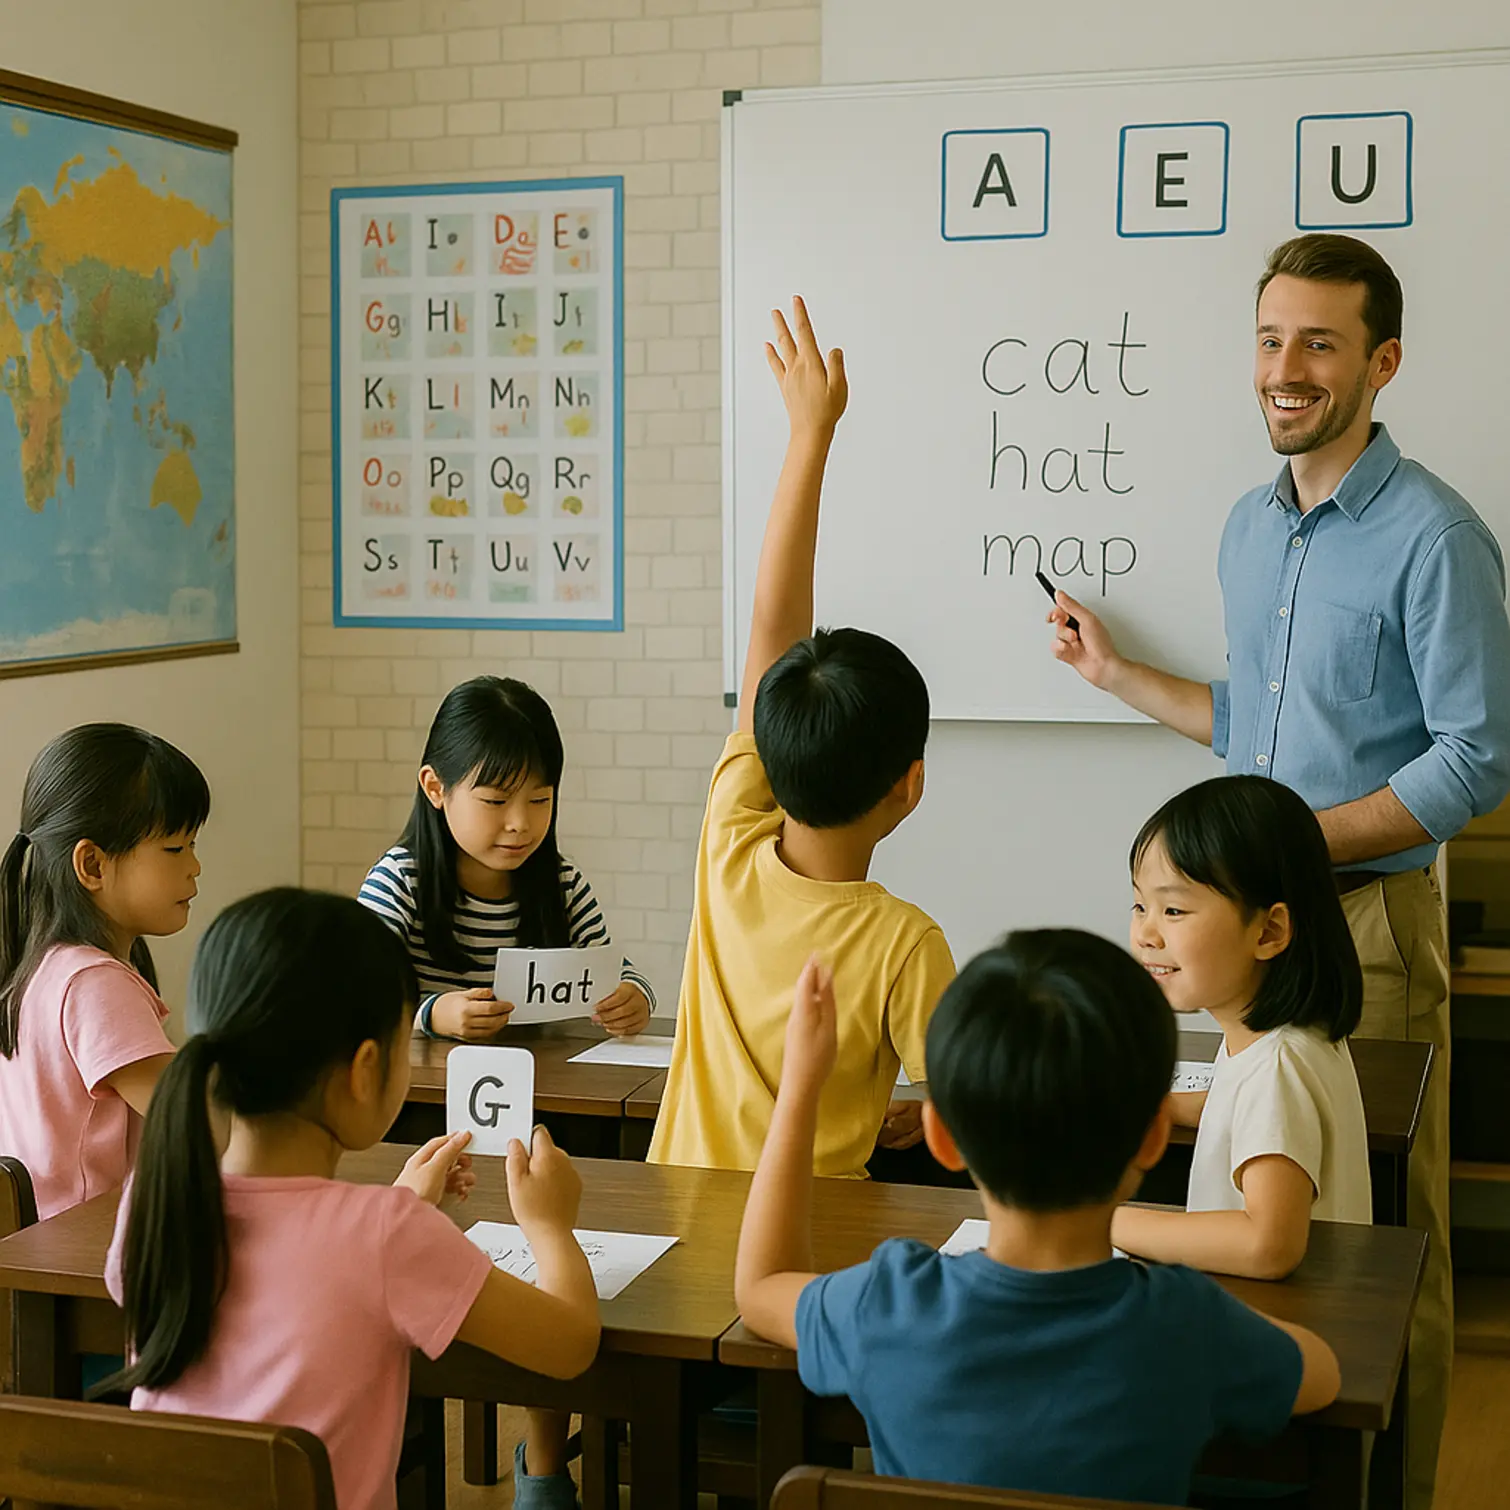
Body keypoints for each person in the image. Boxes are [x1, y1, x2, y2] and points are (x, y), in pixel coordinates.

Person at [1048, 233, 1510, 1507]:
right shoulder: (1250, 530)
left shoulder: (1438, 537)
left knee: (1382, 1249)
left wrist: (1290, 849)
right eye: (1268, 339)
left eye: (1317, 343)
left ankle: (1398, 1489)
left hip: (1365, 928)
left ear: (1382, 362)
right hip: (1248, 936)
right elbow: (1250, 719)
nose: (1285, 369)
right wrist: (1114, 674)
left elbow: (1476, 761)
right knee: (1263, 1215)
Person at [735, 937, 1340, 1505]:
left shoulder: (889, 1303)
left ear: (941, 1137)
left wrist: (801, 1089)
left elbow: (762, 1287)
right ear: (1155, 1136)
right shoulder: (1185, 1323)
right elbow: (1322, 1374)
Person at [105, 889, 599, 1510]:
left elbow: (299, 1277)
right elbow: (570, 1346)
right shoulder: (384, 1235)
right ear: (365, 1070)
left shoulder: (153, 1201)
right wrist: (550, 1224)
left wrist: (401, 1211)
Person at [648, 297, 955, 1179]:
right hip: (812, 1259)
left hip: (673, 1230)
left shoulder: (728, 843)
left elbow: (770, 628)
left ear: (772, 761)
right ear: (911, 784)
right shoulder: (904, 944)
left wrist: (807, 436)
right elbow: (984, 1115)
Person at [1115, 776, 1371, 1276]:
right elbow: (1245, 1113)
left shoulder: (1277, 1067)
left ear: (1270, 931)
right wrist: (1164, 1106)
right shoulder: (1279, 1037)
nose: (1146, 933)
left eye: (1173, 909)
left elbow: (1268, 1243)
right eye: (1140, 905)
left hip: (1276, 1331)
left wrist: (1103, 1223)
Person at [359, 675, 655, 1041]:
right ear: (436, 788)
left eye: (539, 801)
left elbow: (613, 971)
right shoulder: (400, 881)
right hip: (424, 1088)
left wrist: (635, 997)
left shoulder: (563, 885)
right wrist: (432, 1014)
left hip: (541, 1083)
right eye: (495, 801)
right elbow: (352, 992)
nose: (520, 824)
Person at [0, 723, 209, 1220]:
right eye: (176, 849)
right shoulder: (95, 984)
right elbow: (193, 1120)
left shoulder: (46, 965)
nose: (195, 867)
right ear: (92, 864)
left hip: (39, 1243)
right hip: (77, 1249)